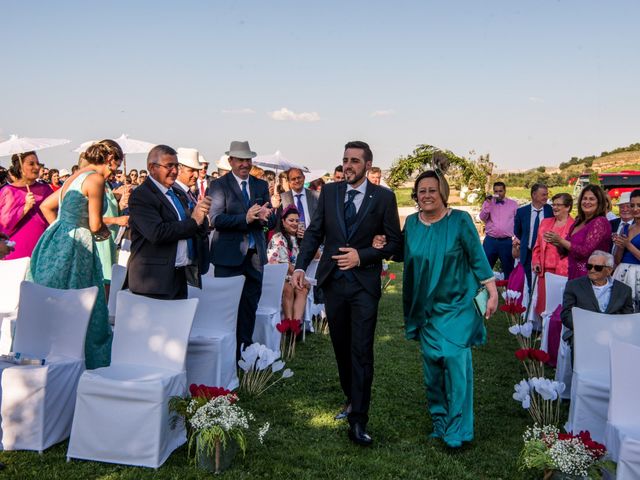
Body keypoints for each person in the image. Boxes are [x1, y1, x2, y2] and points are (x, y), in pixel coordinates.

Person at [291, 140, 402, 447]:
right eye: (345, 160)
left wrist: (363, 255)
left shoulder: (383, 197)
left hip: (365, 285)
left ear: (368, 165)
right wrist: (300, 266)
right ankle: (351, 397)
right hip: (333, 283)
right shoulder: (329, 192)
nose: (349, 165)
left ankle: (359, 420)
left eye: (355, 160)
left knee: (362, 350)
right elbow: (314, 233)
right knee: (341, 346)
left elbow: (395, 244)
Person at [397, 169, 498, 448]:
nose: (426, 195)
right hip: (426, 309)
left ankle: (458, 429)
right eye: (421, 191)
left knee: (455, 364)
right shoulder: (413, 224)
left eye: (432, 189)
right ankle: (439, 422)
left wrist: (492, 291)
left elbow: (478, 258)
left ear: (442, 192)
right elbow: (401, 252)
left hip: (458, 305)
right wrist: (380, 245)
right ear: (415, 196)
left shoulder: (460, 220)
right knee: (432, 368)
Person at [29, 141, 119, 369]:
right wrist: (104, 235)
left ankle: (49, 355)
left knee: (54, 298)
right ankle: (86, 362)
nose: (113, 173)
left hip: (54, 241)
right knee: (84, 302)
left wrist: (65, 228)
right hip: (77, 249)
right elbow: (96, 223)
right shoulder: (96, 179)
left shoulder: (74, 177)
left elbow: (47, 206)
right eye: (115, 167)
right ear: (110, 160)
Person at [209, 141, 275, 358]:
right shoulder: (219, 185)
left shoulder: (260, 185)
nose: (245, 164)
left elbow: (268, 219)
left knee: (249, 305)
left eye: (247, 160)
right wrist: (244, 218)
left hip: (255, 256)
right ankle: (227, 354)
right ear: (231, 161)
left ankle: (244, 351)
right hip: (229, 256)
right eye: (240, 160)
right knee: (228, 307)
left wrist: (267, 218)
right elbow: (215, 219)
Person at [126, 145, 211, 300]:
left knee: (179, 324)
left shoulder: (178, 193)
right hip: (153, 281)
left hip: (179, 275)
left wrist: (202, 216)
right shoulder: (142, 195)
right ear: (152, 167)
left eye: (176, 166)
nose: (174, 171)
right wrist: (194, 221)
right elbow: (157, 233)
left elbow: (194, 225)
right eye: (169, 166)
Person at [561, 250, 633, 350]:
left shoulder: (624, 290)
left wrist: (615, 330)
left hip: (614, 335)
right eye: (589, 266)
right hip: (584, 333)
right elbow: (566, 315)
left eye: (597, 267)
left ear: (609, 270)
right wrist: (588, 328)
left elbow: (627, 318)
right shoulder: (574, 286)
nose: (592, 270)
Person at [546, 184, 612, 280]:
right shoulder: (578, 221)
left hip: (591, 277)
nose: (587, 202)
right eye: (584, 198)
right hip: (573, 273)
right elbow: (567, 250)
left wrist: (561, 240)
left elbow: (584, 251)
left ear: (599, 202)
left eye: (591, 199)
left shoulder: (600, 222)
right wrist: (556, 242)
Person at [0, 151, 53, 259]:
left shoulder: (45, 188)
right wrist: (25, 208)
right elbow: (4, 224)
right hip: (19, 249)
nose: (37, 167)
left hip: (45, 246)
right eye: (31, 164)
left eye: (37, 163)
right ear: (20, 168)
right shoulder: (8, 191)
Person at [172, 147, 210, 286]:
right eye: (191, 170)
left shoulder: (189, 193)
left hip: (193, 258)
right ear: (179, 169)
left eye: (197, 170)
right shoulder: (175, 192)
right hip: (183, 259)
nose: (196, 174)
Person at [531, 193, 574, 314]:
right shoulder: (545, 222)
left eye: (558, 205)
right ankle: (543, 331)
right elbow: (537, 246)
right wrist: (536, 261)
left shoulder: (574, 225)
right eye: (553, 204)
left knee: (558, 304)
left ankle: (557, 331)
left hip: (563, 272)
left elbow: (575, 249)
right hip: (544, 271)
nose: (554, 207)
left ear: (567, 207)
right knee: (543, 304)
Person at [267, 206, 309, 322]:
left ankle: (295, 326)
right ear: (283, 221)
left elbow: (317, 255)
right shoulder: (278, 238)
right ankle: (288, 323)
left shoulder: (298, 238)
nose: (295, 223)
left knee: (303, 290)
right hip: (278, 276)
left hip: (292, 276)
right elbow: (285, 265)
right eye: (291, 220)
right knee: (289, 289)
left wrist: (306, 239)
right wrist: (301, 277)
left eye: (297, 221)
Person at [514, 183, 553, 288]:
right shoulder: (521, 211)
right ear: (534, 195)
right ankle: (527, 303)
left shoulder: (551, 210)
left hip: (544, 254)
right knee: (527, 283)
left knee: (542, 283)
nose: (546, 197)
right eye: (543, 195)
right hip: (527, 252)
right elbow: (517, 231)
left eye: (547, 194)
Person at [479, 181, 518, 279]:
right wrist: (487, 204)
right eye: (496, 191)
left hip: (507, 242)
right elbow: (482, 218)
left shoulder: (513, 204)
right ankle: (484, 292)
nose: (498, 193)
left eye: (500, 191)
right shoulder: (488, 203)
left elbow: (518, 222)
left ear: (505, 191)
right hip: (490, 241)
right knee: (485, 268)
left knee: (509, 270)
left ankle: (509, 293)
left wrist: (517, 238)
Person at [612, 189, 640, 307]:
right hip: (622, 275)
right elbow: (617, 260)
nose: (634, 209)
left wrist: (628, 244)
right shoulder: (626, 228)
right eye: (632, 205)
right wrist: (620, 246)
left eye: (639, 205)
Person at [281, 168, 320, 239]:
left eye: (299, 177)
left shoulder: (316, 196)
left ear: (304, 178)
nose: (297, 181)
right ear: (289, 181)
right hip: (292, 241)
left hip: (313, 239)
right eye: (293, 179)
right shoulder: (283, 198)